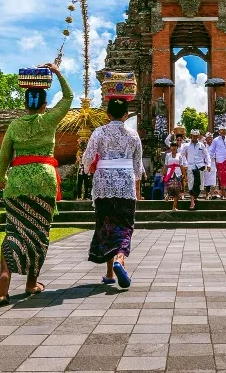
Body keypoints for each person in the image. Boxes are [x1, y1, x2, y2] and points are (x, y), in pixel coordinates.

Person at [0, 63, 71, 305]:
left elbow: (3, 155)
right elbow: (68, 97)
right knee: (38, 232)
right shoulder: (49, 121)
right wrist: (57, 73)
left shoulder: (15, 125)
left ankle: (4, 279)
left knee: (14, 230)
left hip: (17, 182)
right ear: (45, 104)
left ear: (25, 104)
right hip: (44, 181)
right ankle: (30, 282)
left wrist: (1, 178)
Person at [82, 71, 143, 289]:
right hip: (126, 184)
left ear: (108, 114)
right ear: (127, 114)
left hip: (103, 184)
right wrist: (138, 190)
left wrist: (90, 170)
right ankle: (118, 261)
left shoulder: (98, 132)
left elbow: (87, 158)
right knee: (125, 225)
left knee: (106, 225)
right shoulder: (133, 135)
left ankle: (110, 272)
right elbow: (137, 166)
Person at [179, 129, 211, 210]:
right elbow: (181, 155)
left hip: (200, 166)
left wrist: (209, 164)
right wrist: (184, 164)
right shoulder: (186, 145)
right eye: (194, 136)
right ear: (191, 136)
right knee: (191, 183)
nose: (195, 138)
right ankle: (192, 201)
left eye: (197, 136)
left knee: (200, 184)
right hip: (190, 166)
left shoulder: (201, 145)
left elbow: (207, 155)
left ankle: (195, 197)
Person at [162, 139, 185, 210]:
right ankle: (168, 194)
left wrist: (184, 174)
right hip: (170, 173)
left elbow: (181, 165)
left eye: (175, 146)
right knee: (170, 185)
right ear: (170, 147)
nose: (174, 147)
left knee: (177, 189)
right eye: (172, 146)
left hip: (177, 173)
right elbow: (165, 165)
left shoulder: (180, 156)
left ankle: (174, 207)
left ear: (177, 147)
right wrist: (163, 174)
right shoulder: (168, 155)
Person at [202, 132, 219, 198]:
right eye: (209, 138)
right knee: (207, 183)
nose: (210, 140)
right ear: (206, 139)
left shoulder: (215, 147)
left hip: (213, 165)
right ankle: (207, 195)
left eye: (211, 138)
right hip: (206, 166)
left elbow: (217, 157)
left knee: (213, 182)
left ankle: (211, 195)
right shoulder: (204, 147)